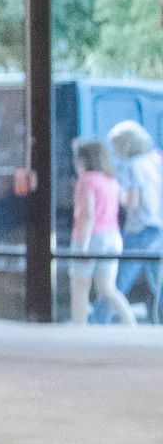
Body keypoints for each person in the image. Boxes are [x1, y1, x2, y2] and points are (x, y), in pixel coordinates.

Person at [69, 138, 136, 325]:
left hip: (92, 237)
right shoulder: (111, 180)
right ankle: (130, 322)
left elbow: (88, 215)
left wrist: (82, 245)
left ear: (83, 160)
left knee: (80, 286)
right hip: (113, 237)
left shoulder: (86, 180)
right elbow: (125, 203)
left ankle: (78, 327)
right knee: (107, 287)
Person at [110, 121, 162, 324]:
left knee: (119, 279)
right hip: (158, 226)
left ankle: (100, 317)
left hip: (139, 227)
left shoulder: (132, 167)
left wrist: (117, 192)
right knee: (157, 281)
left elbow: (131, 202)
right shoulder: (155, 160)